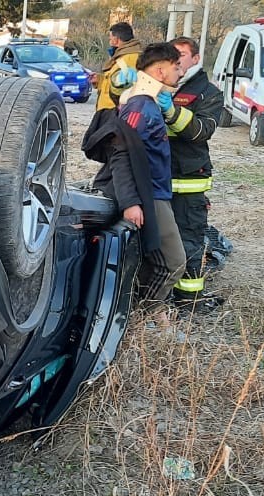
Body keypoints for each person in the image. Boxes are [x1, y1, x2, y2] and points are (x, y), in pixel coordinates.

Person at [82, 42, 187, 306]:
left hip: (154, 192)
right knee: (174, 262)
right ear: (161, 71)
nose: (180, 73)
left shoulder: (148, 103)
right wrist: (130, 203)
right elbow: (120, 153)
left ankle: (149, 311)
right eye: (177, 67)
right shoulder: (141, 108)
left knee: (150, 258)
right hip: (146, 195)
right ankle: (147, 312)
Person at [163, 36, 225, 312]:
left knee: (188, 240)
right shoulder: (161, 84)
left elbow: (201, 131)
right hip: (157, 177)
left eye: (181, 55)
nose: (175, 60)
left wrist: (170, 111)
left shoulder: (208, 93)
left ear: (196, 59)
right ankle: (157, 295)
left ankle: (188, 300)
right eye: (171, 55)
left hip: (188, 179)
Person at [92, 22, 142, 112]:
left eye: (110, 38)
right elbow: (115, 82)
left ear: (116, 39)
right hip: (108, 110)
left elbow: (126, 87)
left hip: (114, 111)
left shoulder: (130, 57)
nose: (109, 41)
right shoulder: (121, 56)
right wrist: (99, 80)